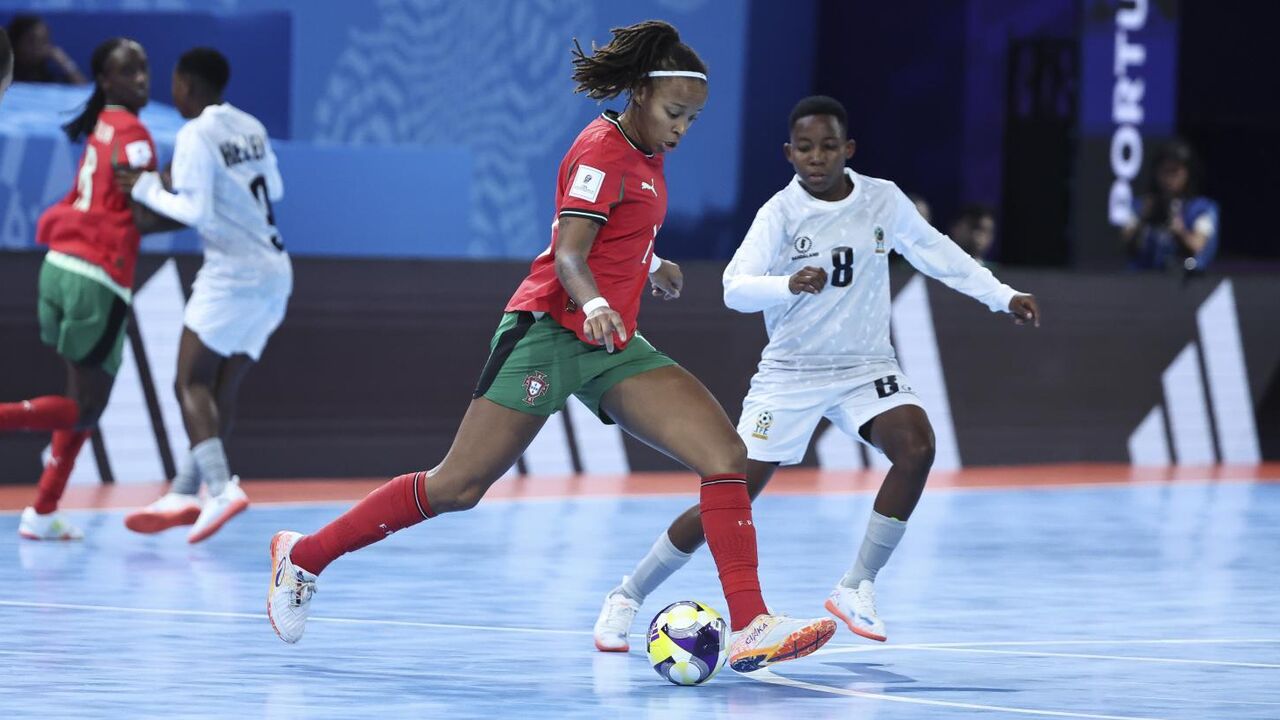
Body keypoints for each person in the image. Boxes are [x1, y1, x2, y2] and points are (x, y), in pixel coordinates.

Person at [265, 20, 836, 674]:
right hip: (550, 331)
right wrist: (593, 303)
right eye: (675, 112)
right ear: (642, 96)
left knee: (725, 455)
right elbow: (568, 252)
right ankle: (304, 556)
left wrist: (650, 265)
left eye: (693, 119)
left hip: (613, 344)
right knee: (459, 485)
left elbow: (615, 230)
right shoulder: (601, 150)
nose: (682, 129)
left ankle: (751, 624)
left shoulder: (647, 158)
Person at [592, 95, 1041, 649]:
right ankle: (628, 594)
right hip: (791, 372)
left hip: (865, 366)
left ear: (847, 149)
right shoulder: (780, 214)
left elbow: (937, 252)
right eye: (805, 148)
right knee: (732, 494)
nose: (817, 157)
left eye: (828, 147)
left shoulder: (882, 200)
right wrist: (788, 283)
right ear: (789, 153)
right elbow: (734, 286)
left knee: (917, 446)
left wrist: (1002, 295)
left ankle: (857, 585)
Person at [0, 37, 179, 540]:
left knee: (83, 400)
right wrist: (192, 205)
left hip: (59, 267)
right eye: (130, 71)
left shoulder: (103, 122)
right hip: (95, 277)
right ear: (105, 80)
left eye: (145, 69)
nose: (142, 79)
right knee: (86, 407)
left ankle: (42, 510)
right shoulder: (137, 134)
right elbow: (142, 218)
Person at [115, 47, 290, 543]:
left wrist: (147, 188)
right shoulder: (251, 125)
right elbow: (273, 188)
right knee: (219, 389)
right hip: (277, 271)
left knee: (187, 380)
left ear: (185, 84)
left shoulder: (194, 133)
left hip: (233, 272)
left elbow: (191, 211)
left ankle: (220, 487)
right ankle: (183, 490)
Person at [1123, 139, 1219, 273]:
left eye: (1175, 171)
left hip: (1187, 282)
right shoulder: (1141, 206)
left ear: (1187, 173)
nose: (1169, 178)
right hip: (1144, 280)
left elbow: (1197, 246)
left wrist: (1179, 231)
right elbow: (1126, 246)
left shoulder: (1202, 208)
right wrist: (1143, 221)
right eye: (1164, 171)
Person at [7, 15, 86, 85]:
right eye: (32, 41)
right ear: (16, 42)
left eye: (44, 41)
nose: (38, 47)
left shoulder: (51, 68)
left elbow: (82, 88)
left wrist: (65, 63)